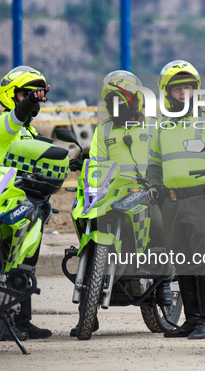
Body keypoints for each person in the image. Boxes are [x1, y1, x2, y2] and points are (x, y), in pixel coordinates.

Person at [69, 70, 174, 337]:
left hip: (145, 193)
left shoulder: (154, 125)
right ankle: (86, 317)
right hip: (111, 192)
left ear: (136, 101)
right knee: (85, 224)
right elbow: (95, 160)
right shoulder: (103, 129)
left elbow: (165, 157)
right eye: (111, 102)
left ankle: (164, 281)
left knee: (160, 224)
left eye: (122, 101)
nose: (116, 107)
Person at [146, 60, 205, 340]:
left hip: (202, 200)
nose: (184, 93)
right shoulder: (161, 126)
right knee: (183, 262)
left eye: (189, 88)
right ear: (167, 93)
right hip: (171, 203)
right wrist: (154, 185)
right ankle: (192, 320)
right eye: (178, 89)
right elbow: (154, 164)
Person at [0, 65, 52, 341]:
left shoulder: (29, 131)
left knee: (26, 262)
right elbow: (16, 117)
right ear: (9, 96)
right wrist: (29, 102)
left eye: (34, 94)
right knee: (8, 264)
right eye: (24, 94)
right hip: (8, 203)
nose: (31, 99)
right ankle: (0, 322)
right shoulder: (5, 124)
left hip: (29, 204)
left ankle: (22, 320)